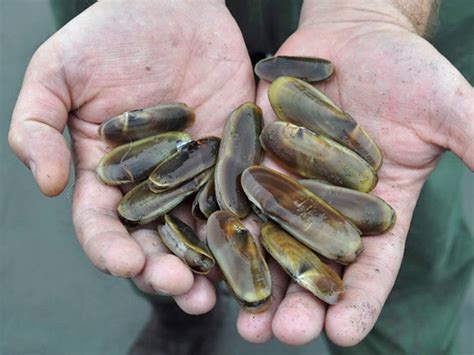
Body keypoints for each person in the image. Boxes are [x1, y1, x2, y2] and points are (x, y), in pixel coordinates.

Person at [8, 0, 473, 354]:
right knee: (155, 235)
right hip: (156, 26)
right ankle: (182, 321)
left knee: (406, 256)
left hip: (383, 48)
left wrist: (369, 10)